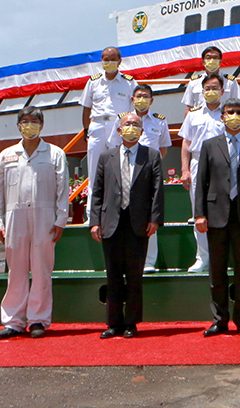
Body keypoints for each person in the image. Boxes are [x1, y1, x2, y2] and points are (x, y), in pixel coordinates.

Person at [0, 107, 69, 340]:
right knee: (17, 270)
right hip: (15, 218)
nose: (29, 125)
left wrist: (61, 219)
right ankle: (13, 321)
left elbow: (63, 189)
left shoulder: (54, 153)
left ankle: (38, 320)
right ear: (18, 126)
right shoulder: (7, 155)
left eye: (34, 121)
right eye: (25, 122)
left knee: (42, 269)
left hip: (45, 218)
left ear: (42, 125)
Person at [194, 97, 240, 337]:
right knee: (217, 271)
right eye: (229, 112)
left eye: (238, 111)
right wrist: (200, 214)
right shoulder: (209, 145)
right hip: (215, 215)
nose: (233, 115)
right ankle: (219, 319)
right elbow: (201, 183)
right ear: (222, 116)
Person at [90, 113, 164, 338]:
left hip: (138, 222)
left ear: (142, 131)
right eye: (127, 124)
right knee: (113, 275)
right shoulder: (106, 157)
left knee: (134, 275)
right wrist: (95, 221)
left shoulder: (151, 156)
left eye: (136, 125)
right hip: (111, 221)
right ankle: (114, 323)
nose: (131, 127)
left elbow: (157, 190)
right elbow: (97, 191)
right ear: (119, 130)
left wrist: (154, 219)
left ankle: (131, 323)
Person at [106, 84, 171, 273]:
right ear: (132, 99)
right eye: (138, 96)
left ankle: (149, 261)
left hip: (148, 171)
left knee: (149, 214)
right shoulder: (122, 120)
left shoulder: (160, 121)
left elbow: (164, 148)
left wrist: (150, 166)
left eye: (145, 96)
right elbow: (113, 145)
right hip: (125, 170)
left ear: (151, 100)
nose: (141, 99)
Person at [180, 73, 227, 273]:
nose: (211, 92)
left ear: (223, 91)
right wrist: (184, 169)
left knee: (224, 209)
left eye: (215, 88)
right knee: (198, 212)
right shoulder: (194, 114)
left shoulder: (228, 113)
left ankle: (222, 256)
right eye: (207, 89)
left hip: (222, 162)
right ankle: (202, 257)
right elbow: (186, 143)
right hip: (198, 161)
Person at [80, 46, 136, 203]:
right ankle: (92, 214)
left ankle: (118, 208)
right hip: (97, 125)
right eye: (106, 59)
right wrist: (86, 130)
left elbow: (134, 109)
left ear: (120, 61)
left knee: (119, 169)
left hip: (118, 127)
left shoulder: (129, 83)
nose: (109, 62)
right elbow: (86, 108)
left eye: (112, 59)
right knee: (93, 170)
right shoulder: (93, 82)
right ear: (101, 61)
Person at [182, 45, 240, 112]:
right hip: (200, 120)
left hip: (222, 119)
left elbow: (237, 104)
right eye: (208, 58)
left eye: (215, 58)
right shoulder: (194, 82)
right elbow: (189, 107)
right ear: (203, 62)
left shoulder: (230, 82)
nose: (212, 60)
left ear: (220, 61)